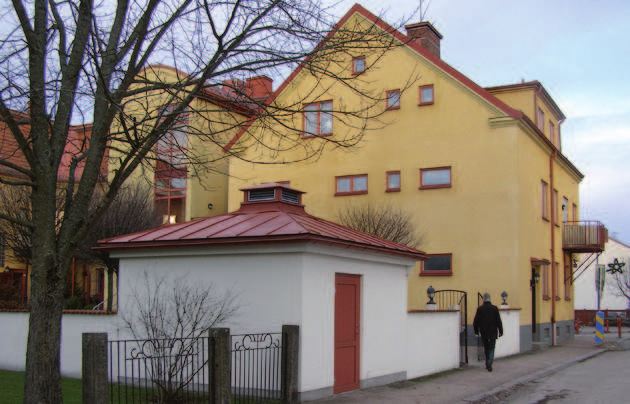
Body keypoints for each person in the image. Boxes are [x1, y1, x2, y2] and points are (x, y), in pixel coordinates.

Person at [473, 292, 503, 372]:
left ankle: (487, 362)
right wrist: (501, 331)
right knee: (492, 348)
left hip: (484, 332)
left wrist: (476, 331)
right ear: (490, 298)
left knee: (486, 348)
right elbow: (498, 321)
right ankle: (490, 361)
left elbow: (475, 321)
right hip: (493, 331)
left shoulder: (480, 309)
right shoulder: (494, 308)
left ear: (483, 299)